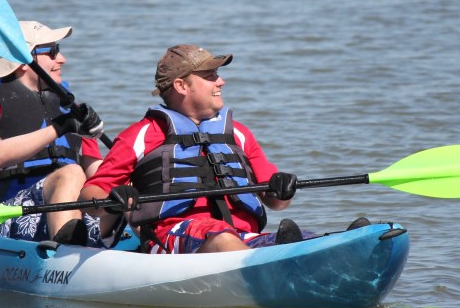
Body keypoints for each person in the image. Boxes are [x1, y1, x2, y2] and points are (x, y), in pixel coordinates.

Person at [79, 44, 307, 254]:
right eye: (210, 76)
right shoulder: (141, 134)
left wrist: (283, 190)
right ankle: (261, 274)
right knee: (223, 238)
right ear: (181, 86)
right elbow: (89, 194)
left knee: (307, 239)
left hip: (241, 236)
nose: (221, 82)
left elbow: (277, 203)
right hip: (173, 237)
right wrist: (113, 197)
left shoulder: (239, 133)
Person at [0, 20, 105, 246]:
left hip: (73, 212)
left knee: (127, 185)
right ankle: (67, 254)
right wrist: (58, 129)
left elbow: (98, 174)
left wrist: (127, 188)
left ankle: (154, 246)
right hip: (9, 216)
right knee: (71, 173)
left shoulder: (70, 111)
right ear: (23, 60)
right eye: (52, 51)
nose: (62, 59)